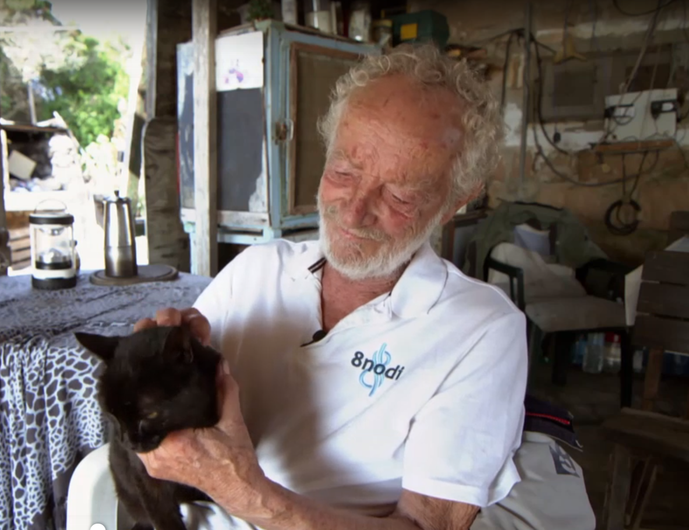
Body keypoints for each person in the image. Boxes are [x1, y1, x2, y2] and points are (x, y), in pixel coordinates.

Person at [129, 43, 588, 530]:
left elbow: (425, 525)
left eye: (400, 194)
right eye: (344, 171)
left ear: (456, 202)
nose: (353, 211)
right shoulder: (257, 269)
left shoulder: (481, 329)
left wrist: (248, 494)